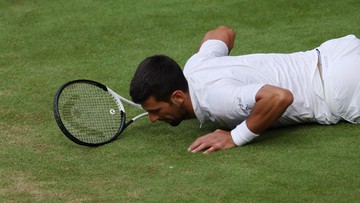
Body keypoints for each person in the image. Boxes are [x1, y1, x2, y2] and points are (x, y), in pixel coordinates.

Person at [130, 26, 360, 154]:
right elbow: (223, 32)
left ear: (178, 96)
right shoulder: (195, 65)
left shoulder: (217, 100)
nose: (152, 119)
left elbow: (279, 97)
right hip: (336, 52)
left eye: (156, 110)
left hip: (342, 88)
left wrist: (235, 136)